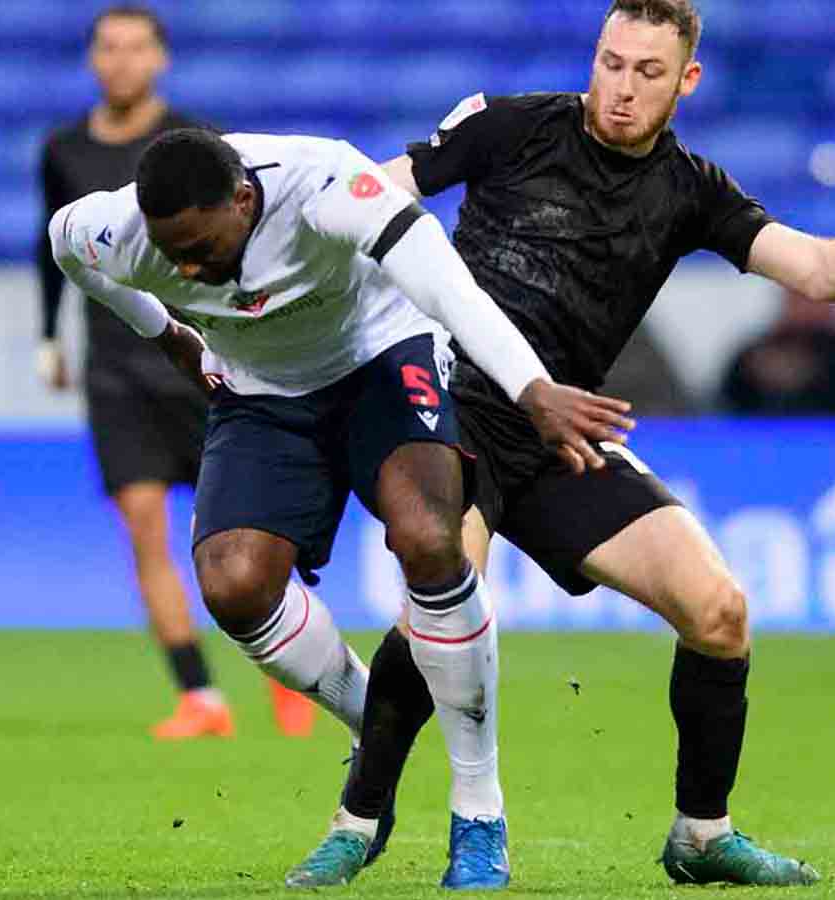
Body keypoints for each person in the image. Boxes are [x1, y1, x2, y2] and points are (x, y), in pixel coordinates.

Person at [288, 0, 835, 888]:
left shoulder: (690, 189)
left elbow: (815, 267)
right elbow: (377, 193)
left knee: (718, 613)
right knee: (444, 599)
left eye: (648, 73)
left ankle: (701, 834)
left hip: (565, 428)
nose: (621, 89)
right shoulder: (510, 126)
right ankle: (357, 820)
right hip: (458, 411)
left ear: (686, 81)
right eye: (611, 63)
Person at [47, 127, 632, 888]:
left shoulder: (326, 185)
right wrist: (167, 335)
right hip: (259, 391)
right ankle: (375, 725)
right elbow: (68, 253)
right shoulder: (115, 230)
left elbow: (449, 287)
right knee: (232, 584)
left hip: (381, 357)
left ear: (244, 199)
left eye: (200, 247)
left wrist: (532, 389)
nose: (187, 267)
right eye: (172, 255)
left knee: (429, 539)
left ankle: (479, 808)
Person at [36, 4, 319, 740]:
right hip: (115, 364)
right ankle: (200, 696)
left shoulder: (194, 145)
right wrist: (48, 336)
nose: (119, 61)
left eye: (134, 48)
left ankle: (287, 666)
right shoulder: (61, 149)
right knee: (143, 527)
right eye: (107, 47)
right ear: (93, 58)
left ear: (158, 59)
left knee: (237, 528)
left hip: (197, 356)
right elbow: (54, 252)